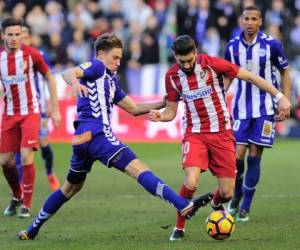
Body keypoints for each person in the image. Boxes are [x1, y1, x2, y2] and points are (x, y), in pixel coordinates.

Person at [16, 33, 213, 240]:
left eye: (120, 58)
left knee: (70, 188)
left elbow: (134, 108)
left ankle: (32, 230)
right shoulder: (97, 66)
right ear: (101, 54)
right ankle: (183, 205)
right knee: (139, 169)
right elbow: (68, 73)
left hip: (81, 139)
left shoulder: (109, 80)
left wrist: (162, 103)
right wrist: (74, 83)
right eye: (115, 57)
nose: (119, 62)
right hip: (98, 134)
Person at [148, 34, 291, 241]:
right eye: (182, 61)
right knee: (191, 181)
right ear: (175, 57)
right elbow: (171, 111)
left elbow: (251, 77)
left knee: (226, 194)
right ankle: (179, 228)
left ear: (196, 52)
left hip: (222, 133)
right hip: (194, 134)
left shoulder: (213, 64)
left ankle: (215, 203)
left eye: (190, 60)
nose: (187, 65)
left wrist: (280, 97)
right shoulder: (172, 76)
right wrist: (161, 117)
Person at [224, 5, 291, 222]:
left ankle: (245, 206)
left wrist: (285, 99)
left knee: (255, 155)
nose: (250, 22)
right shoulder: (232, 47)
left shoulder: (272, 44)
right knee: (235, 157)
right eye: (247, 18)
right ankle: (236, 195)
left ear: (260, 21)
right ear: (241, 20)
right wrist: (220, 97)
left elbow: (285, 72)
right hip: (241, 109)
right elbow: (228, 76)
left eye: (254, 18)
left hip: (266, 108)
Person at [0, 17, 61, 218]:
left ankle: (26, 204)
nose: (15, 38)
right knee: (5, 162)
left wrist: (55, 106)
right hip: (9, 114)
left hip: (31, 112)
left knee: (26, 155)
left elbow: (49, 76)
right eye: (10, 34)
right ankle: (16, 195)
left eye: (18, 34)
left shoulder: (31, 55)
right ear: (3, 36)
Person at [14, 26, 60, 191]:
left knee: (43, 141)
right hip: (18, 109)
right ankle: (20, 184)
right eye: (21, 37)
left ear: (30, 39)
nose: (23, 40)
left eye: (26, 37)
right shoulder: (11, 58)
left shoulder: (39, 56)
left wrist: (51, 104)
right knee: (19, 147)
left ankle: (50, 172)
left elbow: (49, 78)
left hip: (38, 108)